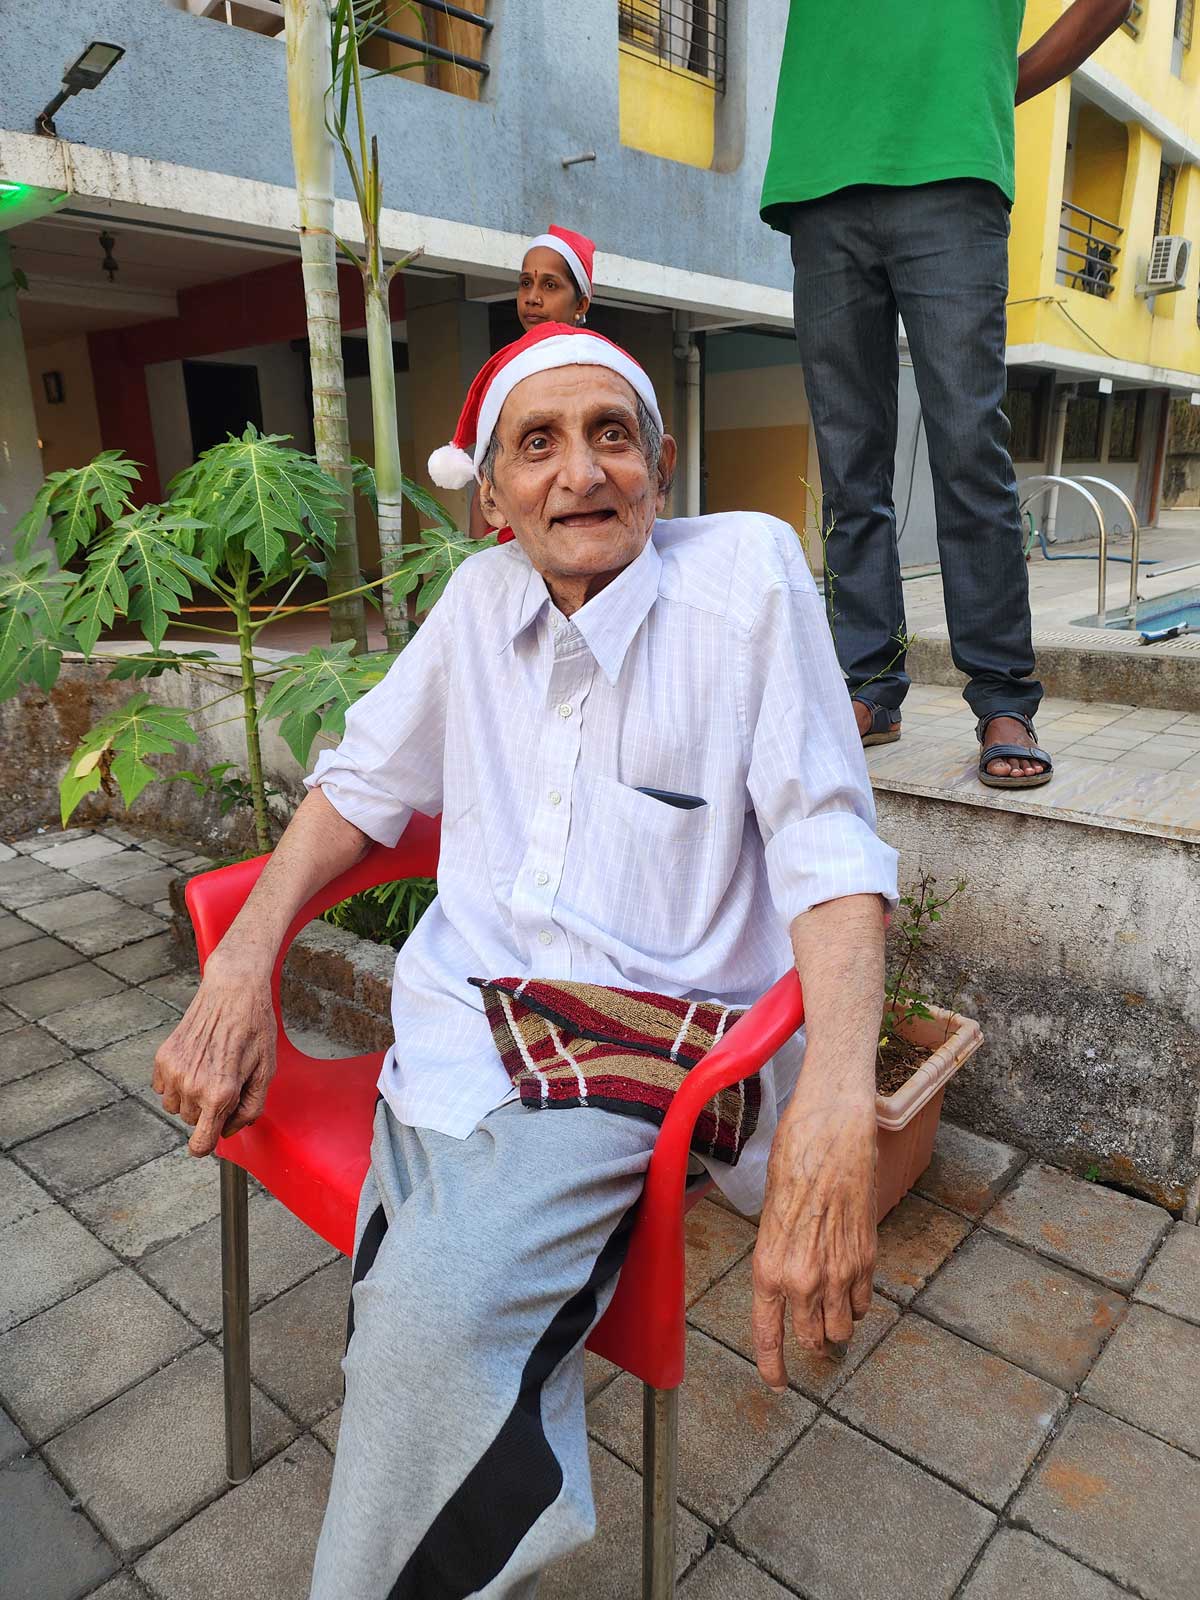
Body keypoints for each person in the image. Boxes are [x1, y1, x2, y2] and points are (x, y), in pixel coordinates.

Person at [153, 322, 898, 1598]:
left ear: (662, 466)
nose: (581, 472)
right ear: (493, 498)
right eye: (538, 444)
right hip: (462, 1020)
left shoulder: (748, 581)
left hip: (644, 1042)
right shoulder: (478, 600)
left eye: (612, 436)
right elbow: (360, 786)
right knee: (421, 1318)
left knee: (424, 1321)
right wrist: (236, 970)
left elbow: (828, 842)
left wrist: (836, 1096)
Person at [761, 0, 1129, 788]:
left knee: (968, 446)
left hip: (953, 161)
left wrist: (996, 83)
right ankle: (868, 684)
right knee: (848, 463)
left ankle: (1003, 697)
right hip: (818, 172)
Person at [468, 224, 595, 538]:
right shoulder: (504, 370)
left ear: (581, 304)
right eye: (526, 283)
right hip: (508, 530)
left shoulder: (598, 372)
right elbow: (487, 467)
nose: (533, 298)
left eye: (550, 285)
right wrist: (477, 549)